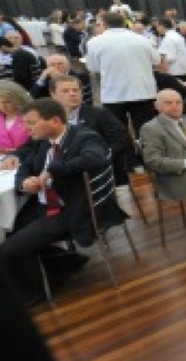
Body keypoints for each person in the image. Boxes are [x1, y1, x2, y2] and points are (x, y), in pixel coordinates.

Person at [0, 98, 127, 304]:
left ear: (55, 121)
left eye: (31, 123)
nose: (25, 128)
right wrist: (24, 183)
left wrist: (52, 170)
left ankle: (33, 294)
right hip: (47, 204)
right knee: (8, 234)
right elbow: (27, 165)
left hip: (72, 208)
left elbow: (95, 158)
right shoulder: (44, 141)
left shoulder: (85, 137)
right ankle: (60, 266)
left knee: (10, 249)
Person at [52, 75, 139, 221]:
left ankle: (81, 223)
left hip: (99, 170)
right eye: (65, 91)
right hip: (64, 170)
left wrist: (103, 156)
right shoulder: (51, 119)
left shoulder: (98, 114)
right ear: (53, 95)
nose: (72, 94)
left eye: (76, 90)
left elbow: (122, 139)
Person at [85, 12, 159, 137]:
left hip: (113, 93)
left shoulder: (94, 42)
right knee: (146, 131)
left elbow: (93, 67)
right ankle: (147, 155)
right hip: (143, 91)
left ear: (104, 24)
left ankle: (125, 156)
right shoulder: (142, 39)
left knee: (118, 132)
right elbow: (156, 61)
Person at [0, 81, 32, 152]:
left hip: (23, 159)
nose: (2, 106)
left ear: (17, 100)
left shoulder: (30, 117)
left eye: (7, 102)